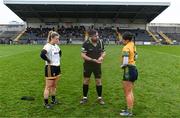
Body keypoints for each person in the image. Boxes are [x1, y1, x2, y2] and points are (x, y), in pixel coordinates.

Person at [80, 30, 106, 105]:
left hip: (97, 65)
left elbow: (103, 52)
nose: (97, 37)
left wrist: (101, 57)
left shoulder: (100, 42)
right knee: (86, 80)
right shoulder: (85, 43)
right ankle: (84, 97)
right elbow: (83, 55)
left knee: (98, 81)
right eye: (95, 36)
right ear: (90, 36)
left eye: (97, 35)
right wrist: (92, 60)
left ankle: (100, 98)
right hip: (88, 65)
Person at [40, 31, 62, 109]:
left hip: (57, 67)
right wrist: (49, 60)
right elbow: (42, 54)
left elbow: (60, 53)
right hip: (50, 68)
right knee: (48, 86)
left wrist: (58, 60)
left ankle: (53, 100)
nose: (58, 40)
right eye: (56, 39)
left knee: (54, 86)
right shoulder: (47, 46)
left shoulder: (56, 46)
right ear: (52, 38)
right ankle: (46, 103)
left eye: (58, 39)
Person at [120, 31, 138, 116]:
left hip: (128, 70)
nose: (121, 40)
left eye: (122, 39)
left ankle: (129, 112)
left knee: (127, 92)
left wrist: (122, 66)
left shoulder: (126, 47)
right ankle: (129, 109)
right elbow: (136, 57)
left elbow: (125, 61)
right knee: (130, 91)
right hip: (134, 68)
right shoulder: (133, 45)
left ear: (126, 40)